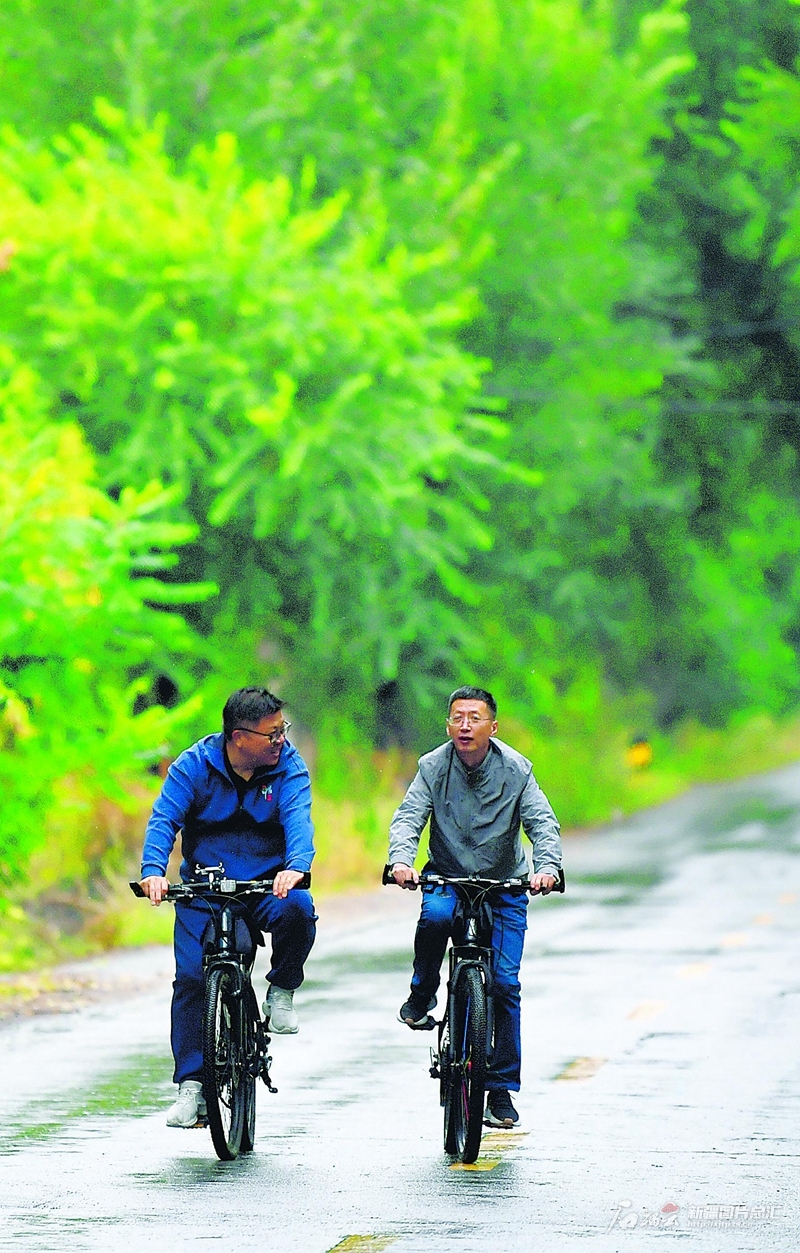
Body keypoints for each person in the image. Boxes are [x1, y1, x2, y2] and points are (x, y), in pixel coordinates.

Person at [139, 686, 316, 1129]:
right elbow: (164, 819)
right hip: (205, 888)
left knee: (299, 909)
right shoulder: (194, 765)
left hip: (266, 885)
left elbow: (299, 819)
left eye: (282, 730)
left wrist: (296, 866)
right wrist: (153, 871)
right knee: (191, 978)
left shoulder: (288, 766)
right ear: (239, 737)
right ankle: (192, 1086)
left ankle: (281, 990)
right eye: (271, 734)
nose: (280, 740)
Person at [388, 685, 562, 1129]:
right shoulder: (432, 767)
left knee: (504, 984)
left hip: (504, 886)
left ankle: (500, 1089)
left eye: (475, 718)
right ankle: (423, 993)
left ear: (493, 727)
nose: (465, 726)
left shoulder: (517, 770)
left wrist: (547, 867)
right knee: (435, 917)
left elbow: (542, 823)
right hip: (447, 878)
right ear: (448, 725)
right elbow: (409, 817)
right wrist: (401, 860)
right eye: (457, 717)